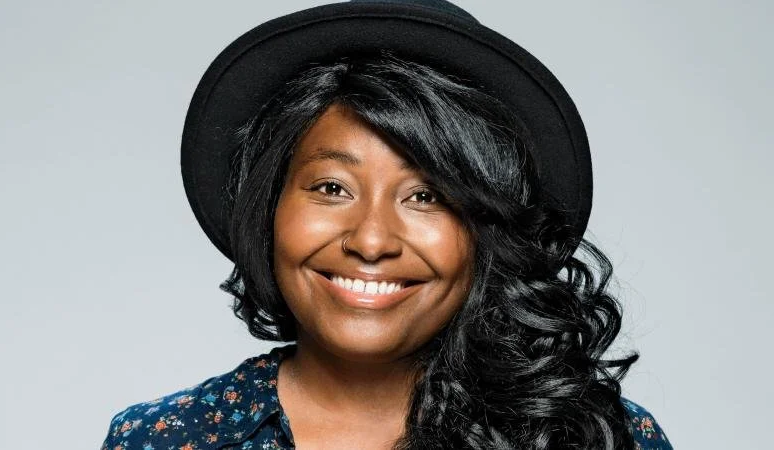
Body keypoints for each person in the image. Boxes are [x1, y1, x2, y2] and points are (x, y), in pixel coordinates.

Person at [101, 1, 672, 449]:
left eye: (427, 195)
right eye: (331, 189)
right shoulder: (167, 440)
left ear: (487, 235)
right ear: (269, 210)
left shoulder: (594, 436)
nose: (371, 241)